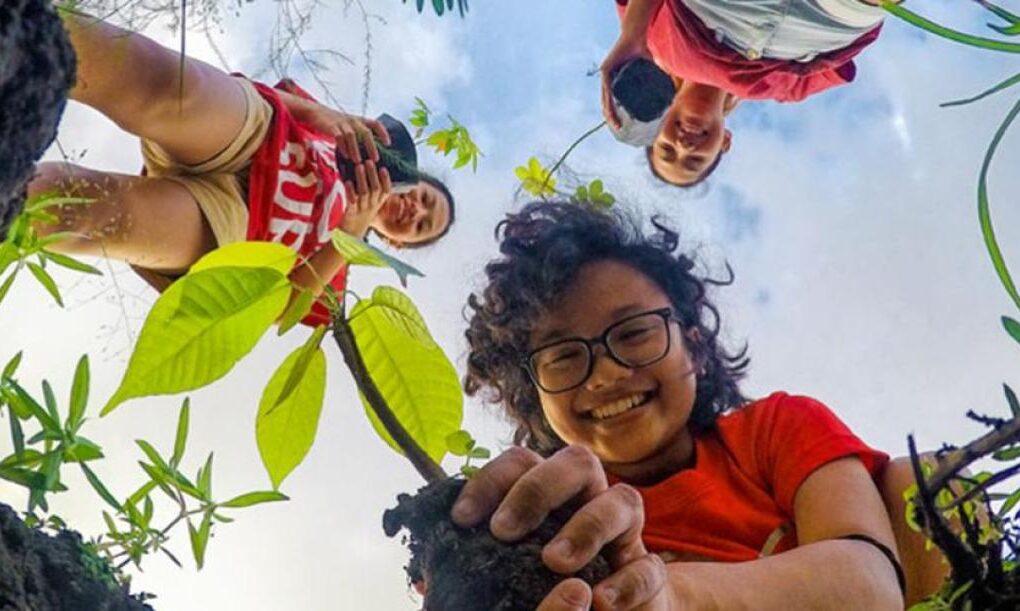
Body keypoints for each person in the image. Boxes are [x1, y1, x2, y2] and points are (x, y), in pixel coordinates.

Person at [453, 201, 948, 609]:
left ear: (695, 347)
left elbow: (871, 588)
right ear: (534, 396)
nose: (605, 375)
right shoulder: (556, 521)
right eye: (562, 356)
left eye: (635, 332)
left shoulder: (776, 428)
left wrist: (673, 596)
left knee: (924, 483)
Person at [28, 11, 454, 325]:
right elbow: (258, 90)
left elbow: (281, 309)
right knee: (168, 90)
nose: (415, 211)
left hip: (238, 228)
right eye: (423, 199)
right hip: (257, 137)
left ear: (397, 246)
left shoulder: (336, 279)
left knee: (93, 214)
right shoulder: (335, 132)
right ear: (407, 180)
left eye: (421, 226)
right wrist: (321, 115)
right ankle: (22, 35)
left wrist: (348, 234)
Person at [601, 0, 887, 187]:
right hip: (826, 14)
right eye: (694, 161)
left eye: (667, 150)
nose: (684, 147)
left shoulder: (653, 44)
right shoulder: (784, 91)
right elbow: (840, 60)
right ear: (724, 143)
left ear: (659, 122)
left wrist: (632, 34)